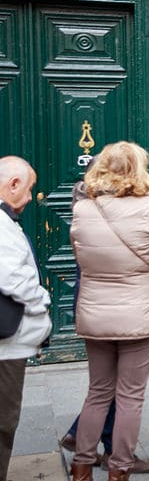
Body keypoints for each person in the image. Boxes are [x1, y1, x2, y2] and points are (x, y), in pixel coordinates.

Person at [69, 142, 149, 481]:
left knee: (98, 391)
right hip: (140, 313)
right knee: (129, 396)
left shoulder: (83, 209)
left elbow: (82, 257)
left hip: (95, 311)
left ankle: (81, 467)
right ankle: (119, 469)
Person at [60, 159, 149, 474]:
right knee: (123, 387)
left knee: (104, 384)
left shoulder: (84, 206)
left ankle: (83, 453)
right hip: (122, 304)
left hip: (92, 300)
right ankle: (116, 456)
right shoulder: (116, 208)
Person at [0, 156, 52, 481]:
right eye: (30, 189)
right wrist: (43, 300)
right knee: (4, 419)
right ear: (13, 185)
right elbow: (12, 277)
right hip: (6, 344)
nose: (32, 197)